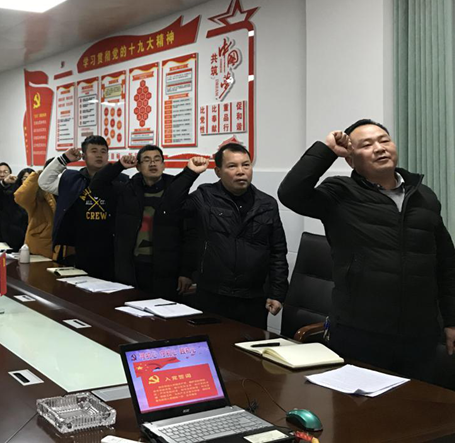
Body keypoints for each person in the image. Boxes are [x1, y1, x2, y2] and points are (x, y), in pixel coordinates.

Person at [278, 119, 455, 381]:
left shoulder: (424, 197)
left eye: (384, 140)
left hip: (420, 334)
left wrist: (451, 320)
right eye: (367, 145)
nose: (380, 148)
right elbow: (290, 194)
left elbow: (446, 264)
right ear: (351, 160)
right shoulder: (339, 193)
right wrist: (327, 150)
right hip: (359, 332)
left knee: (418, 404)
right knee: (356, 405)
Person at [184, 143, 289, 329]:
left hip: (253, 298)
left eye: (246, 165)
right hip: (213, 295)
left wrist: (277, 293)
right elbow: (170, 208)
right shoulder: (205, 197)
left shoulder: (267, 204)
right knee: (213, 342)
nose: (241, 171)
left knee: (251, 346)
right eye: (232, 166)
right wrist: (189, 174)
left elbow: (278, 252)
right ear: (218, 171)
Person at [94, 145, 207, 299]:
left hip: (166, 269)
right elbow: (96, 185)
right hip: (131, 267)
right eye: (147, 160)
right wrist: (119, 166)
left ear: (163, 165)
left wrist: (187, 272)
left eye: (157, 159)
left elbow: (190, 235)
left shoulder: (176, 191)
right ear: (138, 166)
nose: (153, 164)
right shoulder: (127, 190)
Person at [39, 135, 128, 278]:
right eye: (94, 151)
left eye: (103, 151)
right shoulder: (72, 180)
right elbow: (44, 182)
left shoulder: (121, 180)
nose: (99, 155)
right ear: (84, 156)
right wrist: (64, 159)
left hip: (112, 246)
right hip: (81, 246)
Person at [14, 165, 57, 258]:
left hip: (63, 246)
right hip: (40, 245)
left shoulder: (67, 191)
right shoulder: (38, 194)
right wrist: (36, 175)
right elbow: (20, 197)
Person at [0, 167, 30, 250]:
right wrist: (4, 182)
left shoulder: (39, 198)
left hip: (32, 239)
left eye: (30, 179)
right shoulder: (11, 195)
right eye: (24, 178)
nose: (27, 181)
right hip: (12, 239)